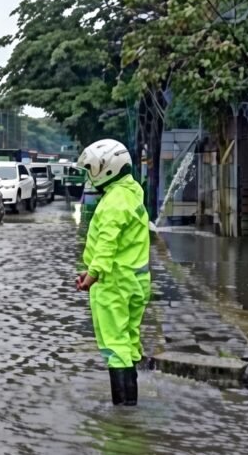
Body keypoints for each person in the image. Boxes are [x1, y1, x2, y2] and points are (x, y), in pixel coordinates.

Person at [76, 139, 151, 406]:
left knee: (114, 346)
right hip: (136, 281)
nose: (90, 175)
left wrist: (93, 275)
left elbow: (107, 243)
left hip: (114, 284)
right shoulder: (132, 191)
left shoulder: (113, 202)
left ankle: (122, 415)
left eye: (92, 168)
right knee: (128, 342)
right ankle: (131, 407)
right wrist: (93, 269)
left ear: (107, 167)